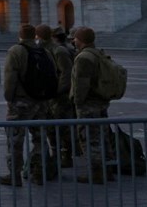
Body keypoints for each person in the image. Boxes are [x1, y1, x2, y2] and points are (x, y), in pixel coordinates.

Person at [0, 24, 51, 186]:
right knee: (40, 138)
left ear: (19, 35)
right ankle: (38, 172)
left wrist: (9, 97)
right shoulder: (44, 52)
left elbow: (10, 78)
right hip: (41, 102)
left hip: (21, 103)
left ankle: (14, 174)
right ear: (34, 35)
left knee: (15, 140)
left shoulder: (16, 51)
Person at [70, 27, 115, 184]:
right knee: (104, 137)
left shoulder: (84, 57)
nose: (73, 41)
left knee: (90, 138)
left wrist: (77, 102)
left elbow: (81, 84)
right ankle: (108, 169)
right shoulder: (98, 53)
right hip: (101, 101)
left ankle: (96, 173)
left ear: (81, 40)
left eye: (75, 38)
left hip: (89, 104)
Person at [36, 24, 75, 168]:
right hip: (47, 96)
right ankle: (55, 154)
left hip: (60, 97)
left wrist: (58, 91)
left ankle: (67, 155)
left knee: (63, 127)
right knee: (50, 127)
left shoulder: (58, 50)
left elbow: (66, 73)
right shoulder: (41, 50)